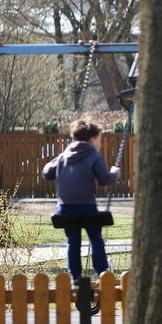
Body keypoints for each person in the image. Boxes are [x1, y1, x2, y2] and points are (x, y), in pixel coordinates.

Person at [43, 116, 120, 280]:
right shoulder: (94, 155)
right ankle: (102, 273)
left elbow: (47, 173)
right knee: (96, 240)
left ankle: (75, 277)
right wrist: (115, 172)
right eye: (99, 139)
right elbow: (105, 180)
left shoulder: (64, 155)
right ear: (92, 139)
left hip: (65, 208)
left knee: (73, 241)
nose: (99, 143)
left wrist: (57, 160)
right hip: (86, 207)